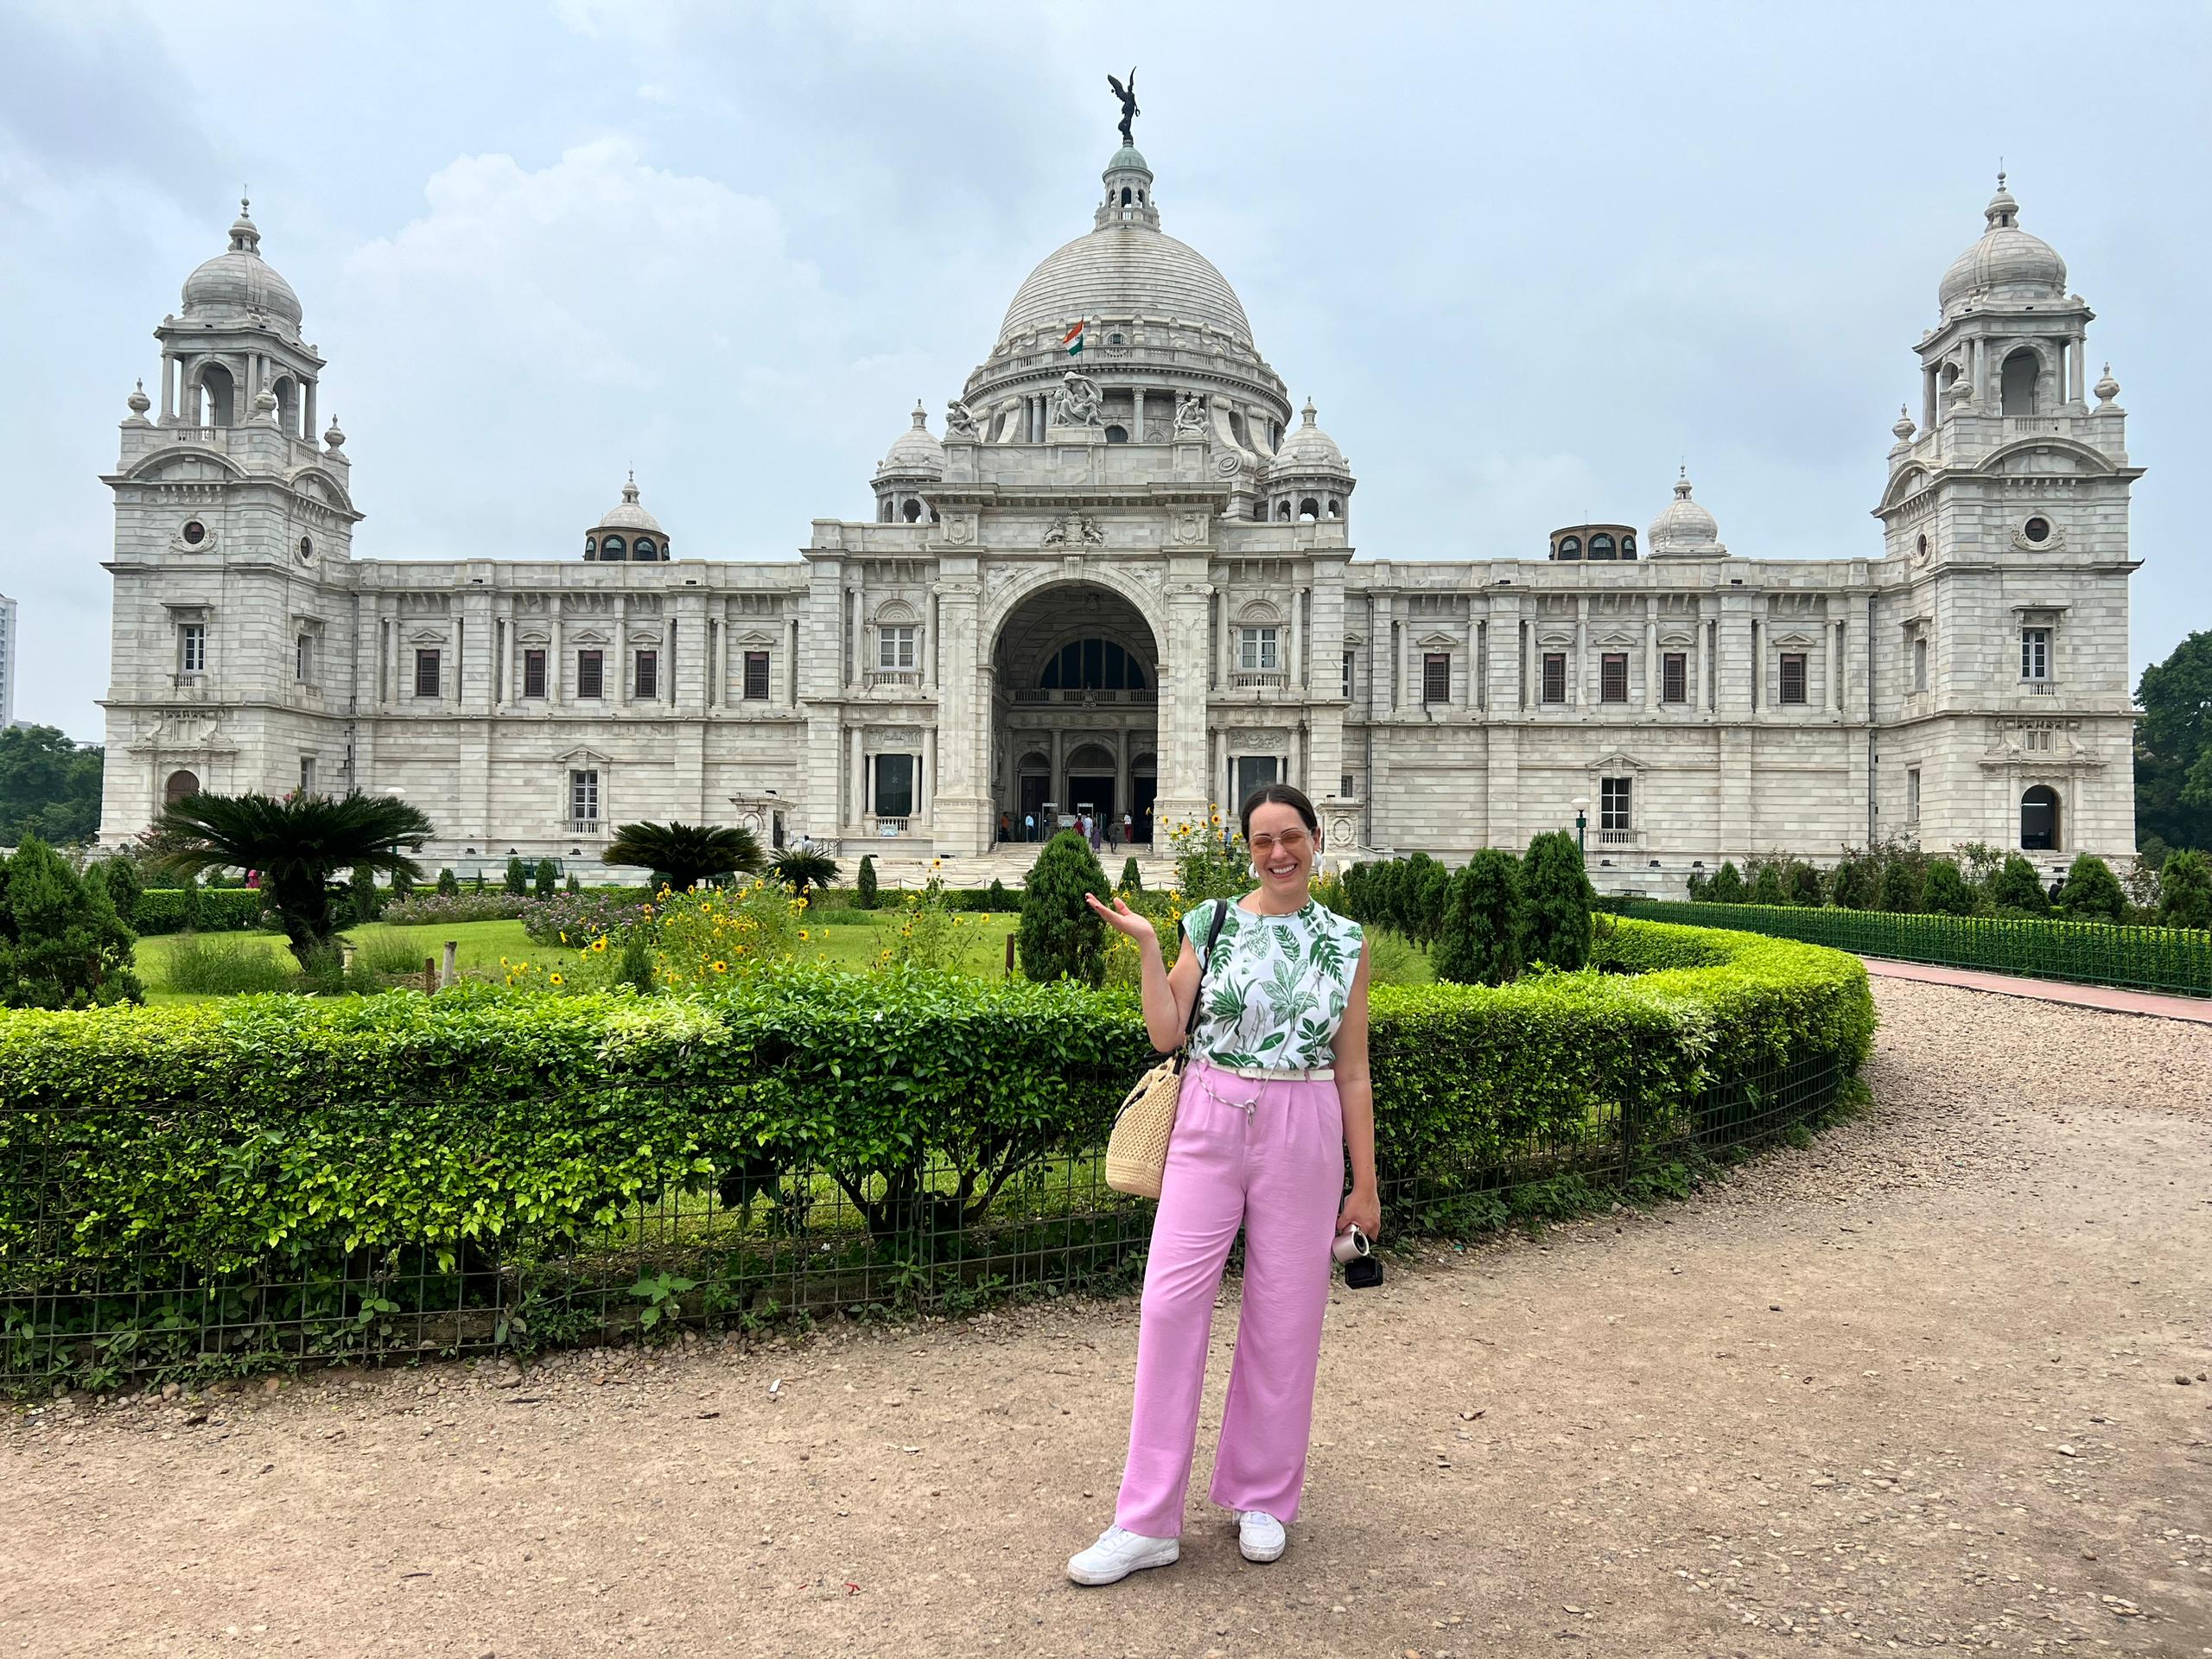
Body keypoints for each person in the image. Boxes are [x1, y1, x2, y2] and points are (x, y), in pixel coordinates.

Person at [1069, 784, 1377, 1585]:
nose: (1278, 853)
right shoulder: (1210, 921)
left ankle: (1264, 1494)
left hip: (1302, 1124)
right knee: (1170, 1304)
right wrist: (1144, 945)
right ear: (1248, 849)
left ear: (1316, 839)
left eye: (1291, 837)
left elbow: (1353, 1071)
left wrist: (1365, 1184)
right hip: (1207, 1115)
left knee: (1286, 1311)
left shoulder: (1345, 940)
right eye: (1263, 840)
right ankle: (1146, 1520)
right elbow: (1169, 1031)